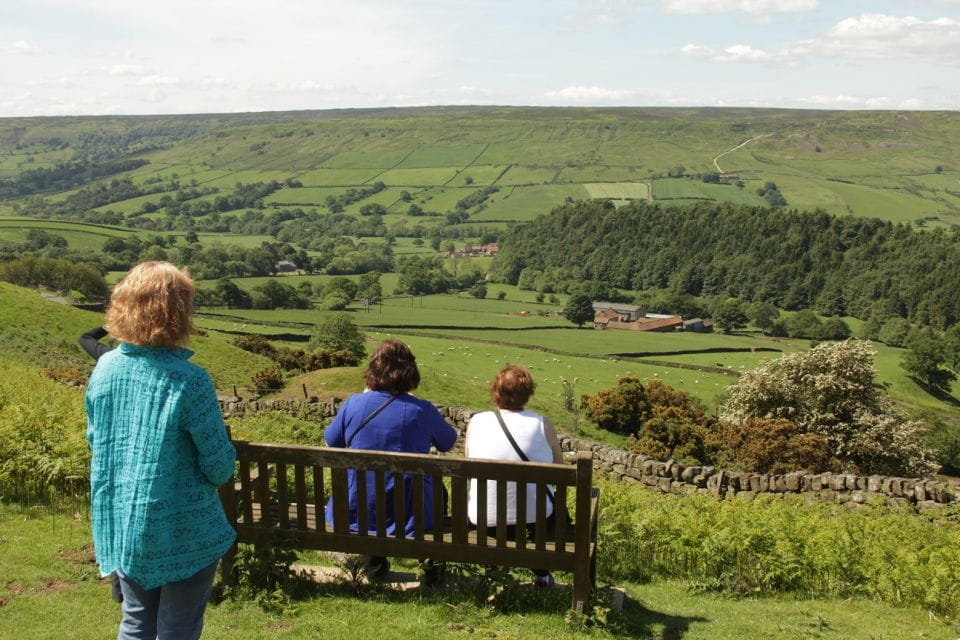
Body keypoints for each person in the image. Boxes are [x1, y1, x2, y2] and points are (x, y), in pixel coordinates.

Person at [85, 261, 237, 640]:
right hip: (185, 531)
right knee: (178, 629)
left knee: (135, 623)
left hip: (126, 523)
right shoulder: (190, 380)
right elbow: (219, 467)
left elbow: (96, 440)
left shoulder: (105, 369)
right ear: (178, 312)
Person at [324, 339, 457, 579]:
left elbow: (331, 441)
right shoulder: (423, 410)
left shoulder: (354, 404)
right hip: (412, 517)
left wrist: (364, 396)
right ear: (410, 371)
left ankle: (374, 562)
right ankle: (432, 567)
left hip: (356, 513)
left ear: (373, 370)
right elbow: (448, 442)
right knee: (439, 490)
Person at [465, 364, 563, 587]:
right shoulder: (542, 424)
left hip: (483, 521)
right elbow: (559, 470)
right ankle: (542, 576)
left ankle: (492, 572)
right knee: (546, 505)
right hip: (534, 524)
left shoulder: (477, 422)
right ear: (528, 393)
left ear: (495, 391)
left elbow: (469, 463)